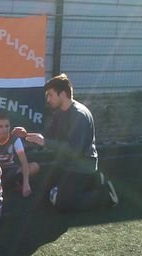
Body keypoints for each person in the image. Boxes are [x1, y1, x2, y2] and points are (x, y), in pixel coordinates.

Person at [13, 73, 118, 212]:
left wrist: (45, 142)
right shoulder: (60, 112)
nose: (48, 99)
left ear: (62, 94)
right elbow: (48, 137)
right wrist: (26, 135)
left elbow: (74, 150)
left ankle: (104, 193)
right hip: (66, 165)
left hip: (81, 167)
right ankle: (85, 185)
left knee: (62, 203)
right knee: (43, 194)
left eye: (50, 95)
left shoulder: (79, 115)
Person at [0, 114, 39, 197]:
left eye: (7, 126)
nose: (4, 129)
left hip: (10, 171)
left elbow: (24, 162)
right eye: (1, 126)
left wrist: (26, 184)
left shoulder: (15, 139)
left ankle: (13, 183)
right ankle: (1, 185)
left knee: (35, 166)